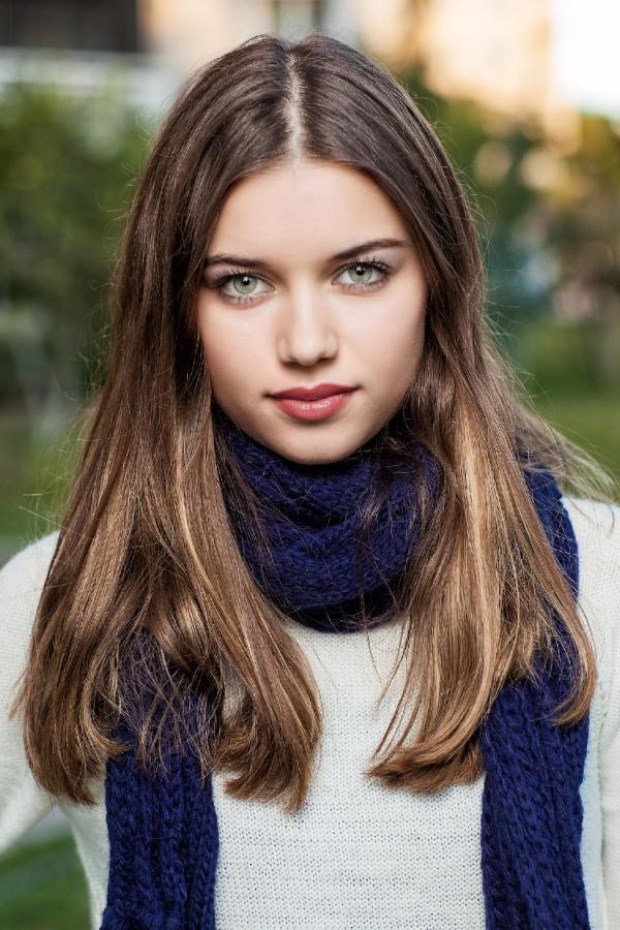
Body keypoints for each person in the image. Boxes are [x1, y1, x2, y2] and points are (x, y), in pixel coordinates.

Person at [0, 31, 618, 930]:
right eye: (244, 283)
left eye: (361, 272)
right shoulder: (74, 595)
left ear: (437, 283)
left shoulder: (593, 579)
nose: (306, 341)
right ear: (177, 308)